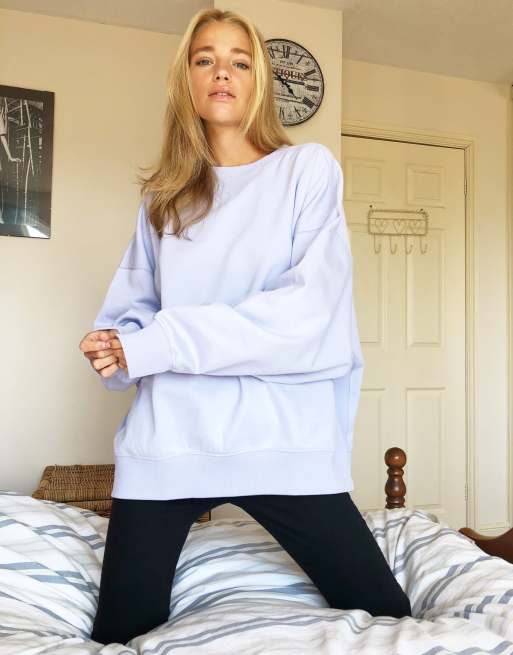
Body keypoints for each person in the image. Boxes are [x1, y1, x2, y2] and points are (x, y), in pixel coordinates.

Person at [79, 8, 412, 646]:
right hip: (170, 438)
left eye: (240, 60)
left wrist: (157, 343)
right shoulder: (163, 197)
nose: (222, 72)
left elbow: (308, 316)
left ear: (259, 80)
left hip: (280, 436)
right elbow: (134, 309)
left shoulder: (306, 170)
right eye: (204, 59)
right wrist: (115, 347)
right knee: (119, 634)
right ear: (186, 80)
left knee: (389, 617)